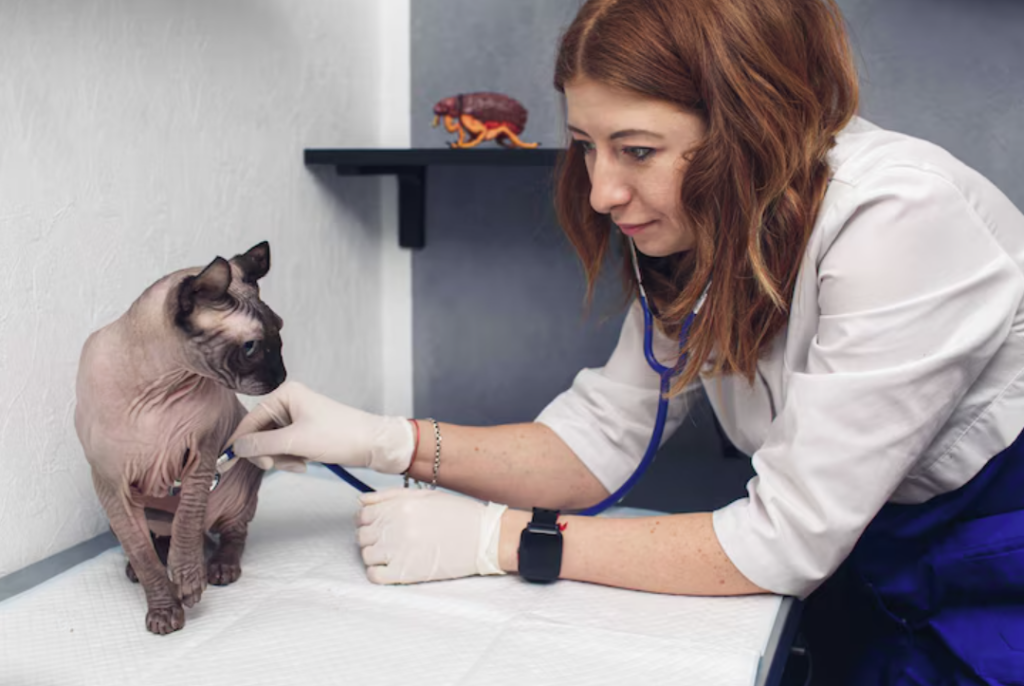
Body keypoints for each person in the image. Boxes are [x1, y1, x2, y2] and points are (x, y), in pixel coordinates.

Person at [225, 0, 1024, 683]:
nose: (604, 192)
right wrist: (377, 437)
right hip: (871, 574)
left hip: (995, 578)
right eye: (586, 147)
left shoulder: (901, 217)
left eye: (636, 150)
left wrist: (502, 541)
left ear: (755, 125)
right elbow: (595, 443)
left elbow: (785, 539)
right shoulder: (711, 234)